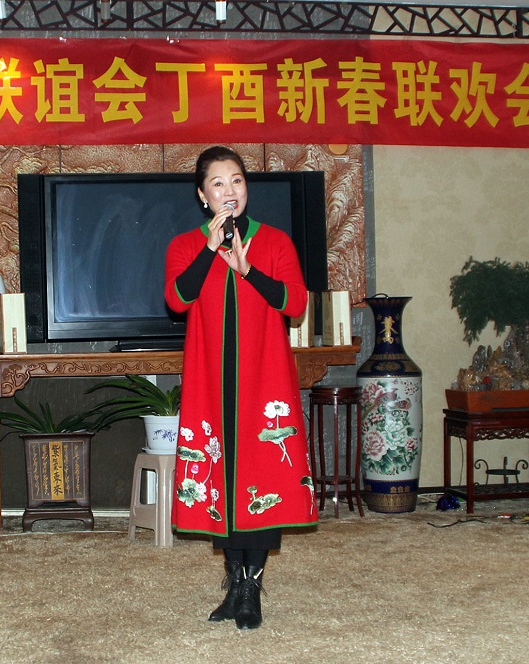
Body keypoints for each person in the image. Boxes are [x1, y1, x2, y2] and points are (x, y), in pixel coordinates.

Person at [164, 146, 317, 630]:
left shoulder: (274, 242)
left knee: (263, 473)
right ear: (202, 195)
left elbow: (295, 303)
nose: (229, 191)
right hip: (211, 378)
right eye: (218, 183)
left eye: (237, 181)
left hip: (264, 377)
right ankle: (235, 583)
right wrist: (211, 250)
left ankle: (251, 588)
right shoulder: (186, 246)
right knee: (220, 474)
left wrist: (248, 270)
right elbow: (177, 298)